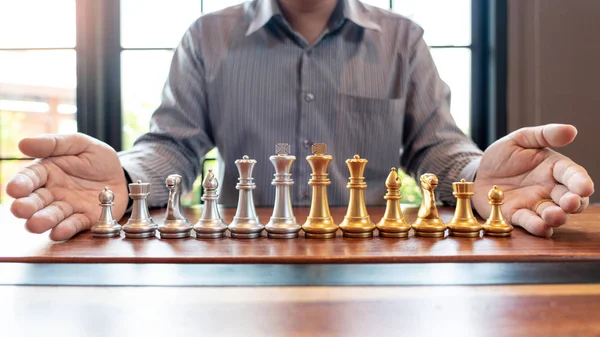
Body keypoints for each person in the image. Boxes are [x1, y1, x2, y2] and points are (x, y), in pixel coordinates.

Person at [5, 0, 594, 241]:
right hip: (242, 256)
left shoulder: (402, 40)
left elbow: (438, 150)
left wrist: (480, 181)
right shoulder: (207, 37)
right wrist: (127, 183)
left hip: (373, 258)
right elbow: (171, 148)